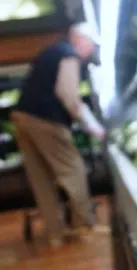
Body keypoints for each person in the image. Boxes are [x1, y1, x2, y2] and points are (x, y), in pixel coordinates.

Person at [10, 22, 106, 247]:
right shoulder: (69, 54)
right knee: (73, 169)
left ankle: (56, 233)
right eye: (91, 45)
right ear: (80, 39)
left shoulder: (51, 51)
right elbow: (68, 95)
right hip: (46, 119)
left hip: (21, 117)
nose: (91, 51)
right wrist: (93, 126)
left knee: (41, 177)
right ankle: (85, 226)